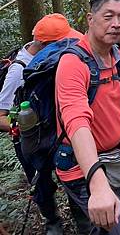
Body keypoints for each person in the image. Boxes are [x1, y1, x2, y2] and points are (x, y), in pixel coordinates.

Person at [55, 0, 120, 234]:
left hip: (113, 161)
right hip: (82, 168)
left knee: (98, 226)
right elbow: (76, 122)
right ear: (90, 19)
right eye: (108, 16)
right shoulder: (72, 63)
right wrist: (97, 182)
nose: (117, 24)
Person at [0, 14, 84, 235]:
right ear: (47, 44)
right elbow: (1, 116)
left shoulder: (58, 58)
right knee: (42, 185)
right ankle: (52, 220)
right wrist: (23, 125)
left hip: (58, 132)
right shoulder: (19, 70)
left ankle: (80, 216)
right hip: (31, 138)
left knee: (72, 174)